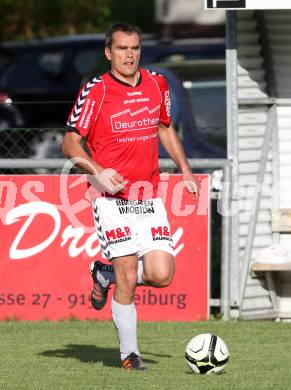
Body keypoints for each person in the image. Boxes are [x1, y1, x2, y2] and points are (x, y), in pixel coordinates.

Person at [62, 22, 199, 371]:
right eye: (122, 48)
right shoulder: (96, 90)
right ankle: (129, 356)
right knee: (127, 275)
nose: (129, 55)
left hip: (148, 196)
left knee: (161, 274)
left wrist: (184, 169)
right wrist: (97, 172)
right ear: (109, 53)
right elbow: (70, 143)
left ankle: (103, 275)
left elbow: (164, 128)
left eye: (135, 48)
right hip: (111, 200)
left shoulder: (157, 83)